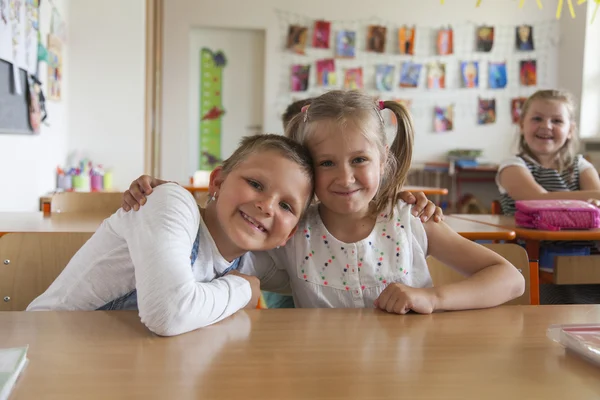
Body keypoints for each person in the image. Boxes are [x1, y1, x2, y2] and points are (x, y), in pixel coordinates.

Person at [126, 90, 524, 313]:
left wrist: (433, 298)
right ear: (306, 171)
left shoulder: (412, 219)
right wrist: (171, 199)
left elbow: (510, 279)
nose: (345, 177)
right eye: (326, 163)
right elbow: (211, 251)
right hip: (317, 374)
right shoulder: (292, 231)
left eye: (360, 160)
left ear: (384, 161)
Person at [27, 134, 315, 336]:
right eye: (255, 183)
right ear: (217, 182)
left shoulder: (250, 262)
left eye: (286, 205)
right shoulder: (170, 202)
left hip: (118, 364)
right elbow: (168, 314)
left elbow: (324, 284)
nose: (266, 206)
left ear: (289, 235)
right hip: (45, 349)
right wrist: (243, 290)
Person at [496, 89, 600, 304]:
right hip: (530, 265)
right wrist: (586, 201)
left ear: (570, 130)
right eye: (537, 118)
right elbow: (537, 199)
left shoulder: (580, 166)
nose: (546, 126)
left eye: (557, 120)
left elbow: (597, 202)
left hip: (587, 263)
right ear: (521, 124)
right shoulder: (512, 166)